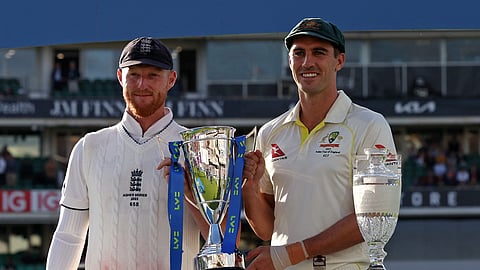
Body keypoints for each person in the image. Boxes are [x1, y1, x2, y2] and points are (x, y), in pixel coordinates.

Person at [242, 18, 397, 270]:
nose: (307, 62)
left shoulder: (369, 125)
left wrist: (291, 254)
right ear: (290, 61)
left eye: (319, 52)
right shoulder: (271, 132)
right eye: (299, 53)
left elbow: (373, 219)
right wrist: (248, 189)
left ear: (340, 61)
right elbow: (267, 228)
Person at [46, 37, 208, 269]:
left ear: (170, 80)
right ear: (120, 77)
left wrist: (190, 192)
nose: (142, 84)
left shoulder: (197, 148)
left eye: (153, 75)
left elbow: (222, 235)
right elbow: (69, 236)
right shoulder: (89, 146)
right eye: (134, 75)